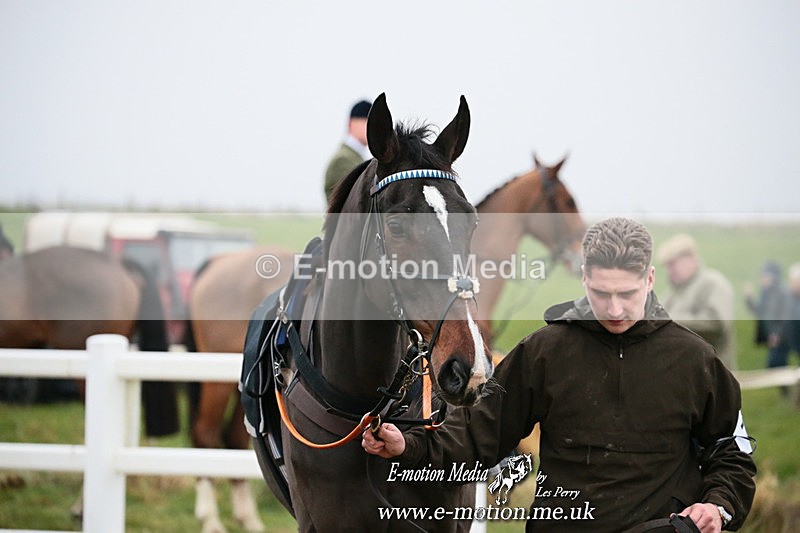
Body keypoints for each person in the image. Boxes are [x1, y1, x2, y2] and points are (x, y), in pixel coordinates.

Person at [363, 217, 756, 533]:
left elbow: (733, 456)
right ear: (583, 277)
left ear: (650, 279)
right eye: (602, 294)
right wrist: (408, 446)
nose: (615, 310)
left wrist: (719, 507)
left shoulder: (696, 361)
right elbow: (477, 434)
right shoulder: (544, 352)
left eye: (628, 294)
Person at [657, 233, 736, 369]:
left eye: (672, 264)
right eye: (667, 266)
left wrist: (668, 322)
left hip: (712, 376)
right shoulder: (671, 294)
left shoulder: (714, 283)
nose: (669, 271)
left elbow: (716, 324)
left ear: (691, 258)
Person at [323, 99, 372, 204]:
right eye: (367, 121)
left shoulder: (356, 157)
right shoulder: (342, 160)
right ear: (351, 123)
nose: (372, 127)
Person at [744, 261, 791, 368]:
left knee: (775, 364)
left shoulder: (782, 293)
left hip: (782, 336)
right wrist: (749, 298)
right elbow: (759, 311)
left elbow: (786, 316)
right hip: (773, 336)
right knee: (776, 365)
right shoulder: (766, 292)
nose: (761, 278)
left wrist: (777, 334)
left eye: (764, 275)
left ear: (773, 277)